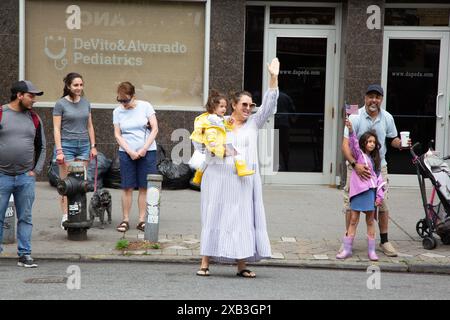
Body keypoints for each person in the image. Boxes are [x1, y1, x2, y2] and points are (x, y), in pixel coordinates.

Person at [196, 58, 279, 278]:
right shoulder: (218, 121)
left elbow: (269, 106)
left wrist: (273, 78)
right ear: (233, 105)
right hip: (217, 177)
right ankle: (205, 262)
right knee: (214, 215)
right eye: (244, 105)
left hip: (244, 180)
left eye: (251, 105)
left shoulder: (254, 122)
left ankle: (241, 265)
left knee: (242, 219)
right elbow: (200, 140)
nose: (248, 108)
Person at [342, 84, 408, 257]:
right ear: (365, 98)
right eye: (370, 96)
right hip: (357, 168)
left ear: (381, 99)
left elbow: (391, 139)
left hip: (379, 168)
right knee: (351, 205)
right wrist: (355, 164)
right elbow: (346, 145)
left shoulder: (387, 117)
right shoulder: (355, 116)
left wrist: (400, 144)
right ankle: (348, 242)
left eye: (377, 97)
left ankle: (384, 241)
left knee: (383, 204)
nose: (374, 100)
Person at [0, 80, 46, 268]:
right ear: (19, 95)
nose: (34, 100)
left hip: (25, 177)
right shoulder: (2, 113)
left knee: (25, 217)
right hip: (2, 176)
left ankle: (25, 254)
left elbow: (42, 147)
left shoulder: (34, 118)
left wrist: (36, 171)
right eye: (31, 95)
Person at [53, 72, 97, 229]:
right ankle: (66, 215)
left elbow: (89, 125)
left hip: (84, 145)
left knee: (80, 183)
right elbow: (56, 129)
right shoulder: (60, 104)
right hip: (66, 145)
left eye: (81, 85)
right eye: (75, 85)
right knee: (67, 183)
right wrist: (59, 150)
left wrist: (93, 146)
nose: (79, 88)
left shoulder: (86, 103)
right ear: (68, 86)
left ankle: (78, 211)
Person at [337, 119, 385, 261]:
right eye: (369, 141)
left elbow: (379, 180)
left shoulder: (376, 160)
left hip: (370, 193)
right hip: (358, 193)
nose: (371, 144)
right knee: (353, 220)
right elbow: (353, 144)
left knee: (370, 221)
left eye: (373, 142)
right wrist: (351, 130)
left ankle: (371, 251)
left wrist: (379, 196)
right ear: (364, 143)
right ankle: (347, 249)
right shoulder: (359, 155)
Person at [113, 81, 158, 233]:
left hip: (147, 151)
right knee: (127, 186)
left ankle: (141, 220)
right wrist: (130, 151)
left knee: (144, 187)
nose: (123, 103)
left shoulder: (145, 106)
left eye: (125, 100)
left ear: (133, 96)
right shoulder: (117, 111)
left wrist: (144, 148)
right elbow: (118, 135)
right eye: (120, 100)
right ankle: (125, 219)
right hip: (126, 152)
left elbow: (155, 129)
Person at [189, 90, 254, 187]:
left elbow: (224, 127)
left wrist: (229, 123)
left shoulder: (217, 118)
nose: (224, 109)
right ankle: (241, 169)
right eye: (221, 106)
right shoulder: (213, 119)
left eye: (225, 106)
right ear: (213, 108)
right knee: (236, 154)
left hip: (213, 144)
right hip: (216, 143)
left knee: (206, 161)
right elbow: (213, 131)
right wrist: (212, 142)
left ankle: (197, 177)